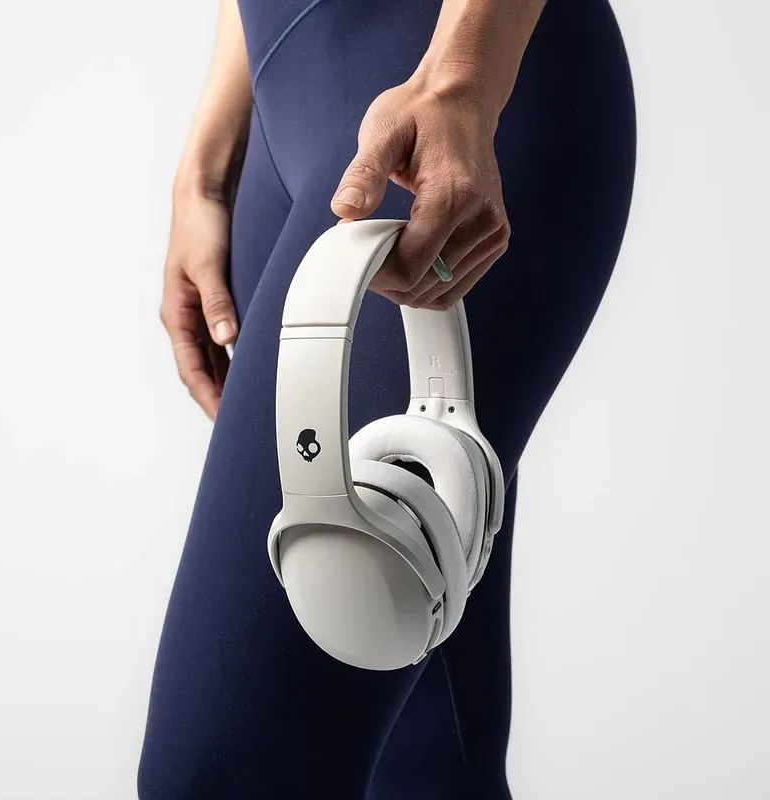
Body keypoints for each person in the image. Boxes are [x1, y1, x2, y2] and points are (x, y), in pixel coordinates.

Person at [138, 0, 636, 796]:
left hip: (447, 84)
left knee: (225, 772)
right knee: (420, 763)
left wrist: (460, 79)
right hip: (279, 114)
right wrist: (207, 160)